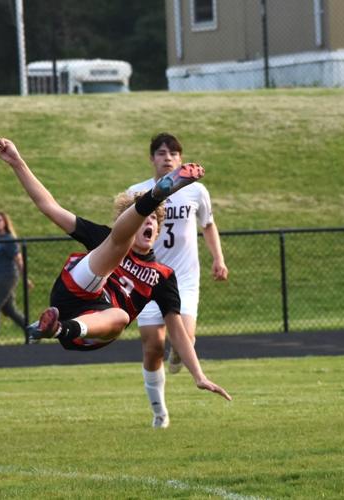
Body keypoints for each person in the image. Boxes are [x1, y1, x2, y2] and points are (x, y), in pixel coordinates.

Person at [0, 137, 231, 403]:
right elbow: (50, 207)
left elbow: (177, 331)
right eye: (143, 218)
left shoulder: (162, 276)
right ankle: (153, 197)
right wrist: (16, 161)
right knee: (116, 244)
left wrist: (199, 375)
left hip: (87, 329)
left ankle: (53, 328)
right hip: (75, 291)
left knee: (119, 315)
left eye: (153, 219)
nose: (148, 224)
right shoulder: (109, 237)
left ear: (158, 230)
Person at [128, 133, 229, 428]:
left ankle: (179, 355)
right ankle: (159, 411)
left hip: (183, 277)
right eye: (161, 152)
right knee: (152, 346)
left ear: (181, 159)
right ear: (151, 159)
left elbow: (208, 225)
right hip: (146, 276)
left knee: (186, 338)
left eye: (173, 153)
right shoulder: (138, 192)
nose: (167, 157)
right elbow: (123, 232)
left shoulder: (196, 191)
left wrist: (218, 259)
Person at [0, 211, 29, 346]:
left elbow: (18, 259)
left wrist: (25, 277)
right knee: (9, 310)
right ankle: (32, 333)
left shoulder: (9, 239)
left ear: (5, 223)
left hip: (7, 276)